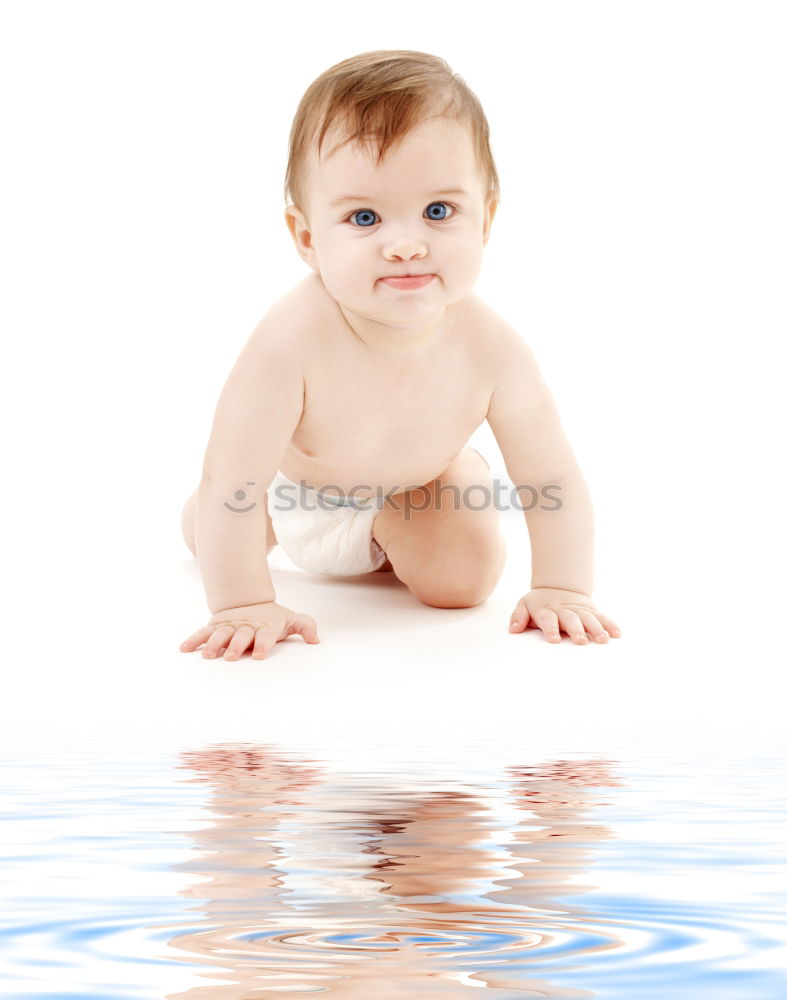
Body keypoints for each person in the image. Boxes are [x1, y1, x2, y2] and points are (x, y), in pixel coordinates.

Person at [179, 49, 622, 661]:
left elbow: (551, 475)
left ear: (485, 219)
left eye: (439, 212)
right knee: (213, 524)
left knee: (461, 584)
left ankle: (398, 540)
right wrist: (242, 602)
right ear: (308, 238)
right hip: (289, 499)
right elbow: (233, 477)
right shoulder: (289, 341)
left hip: (419, 491)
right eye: (365, 217)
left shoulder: (491, 347)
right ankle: (231, 527)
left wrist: (562, 587)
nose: (407, 245)